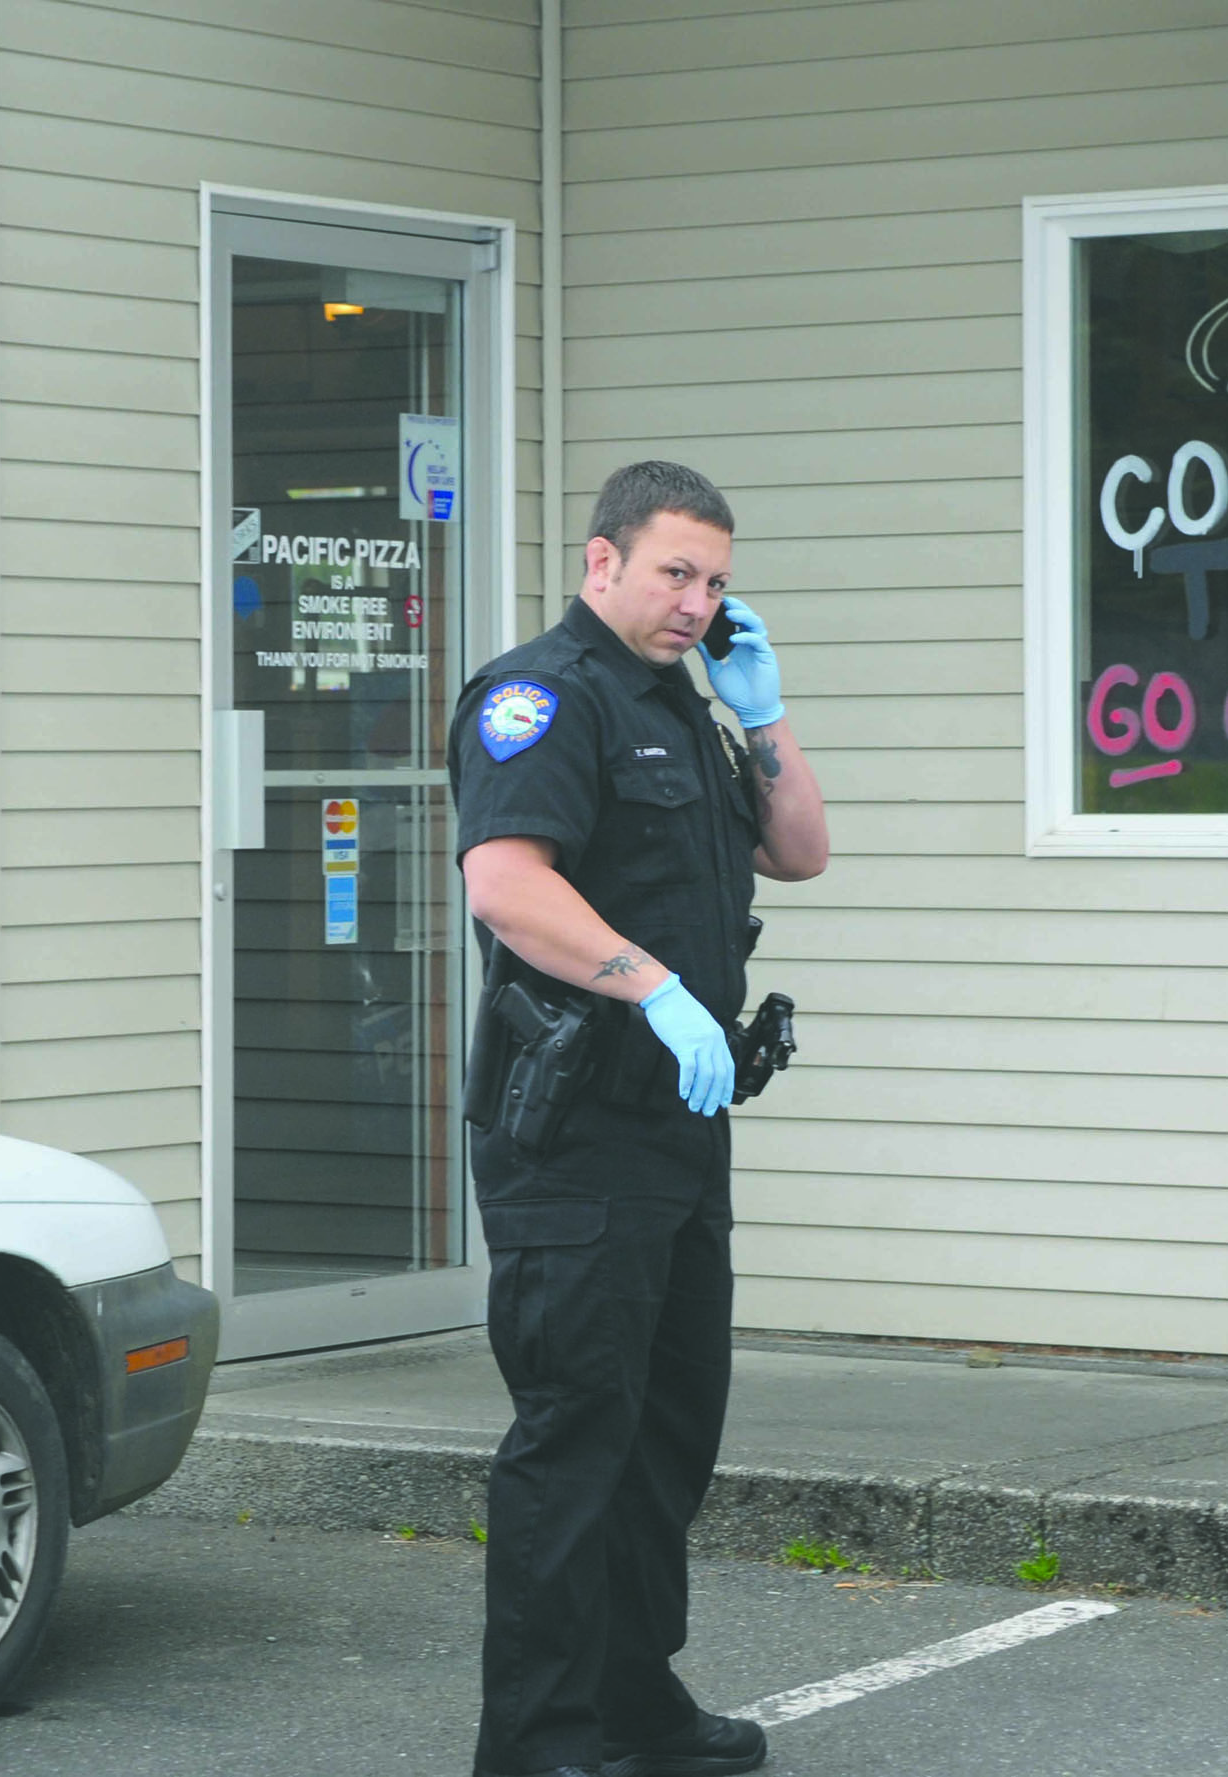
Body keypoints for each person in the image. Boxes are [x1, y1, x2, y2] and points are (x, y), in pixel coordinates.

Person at [447, 461, 830, 1777]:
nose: (697, 601)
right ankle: (541, 1740)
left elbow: (800, 851)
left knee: (670, 1430)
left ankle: (631, 1699)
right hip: (575, 1125)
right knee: (576, 1436)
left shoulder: (692, 704)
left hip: (680, 1126)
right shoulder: (541, 697)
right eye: (676, 572)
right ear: (602, 561)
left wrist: (763, 719)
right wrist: (654, 986)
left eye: (718, 582)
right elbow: (506, 884)